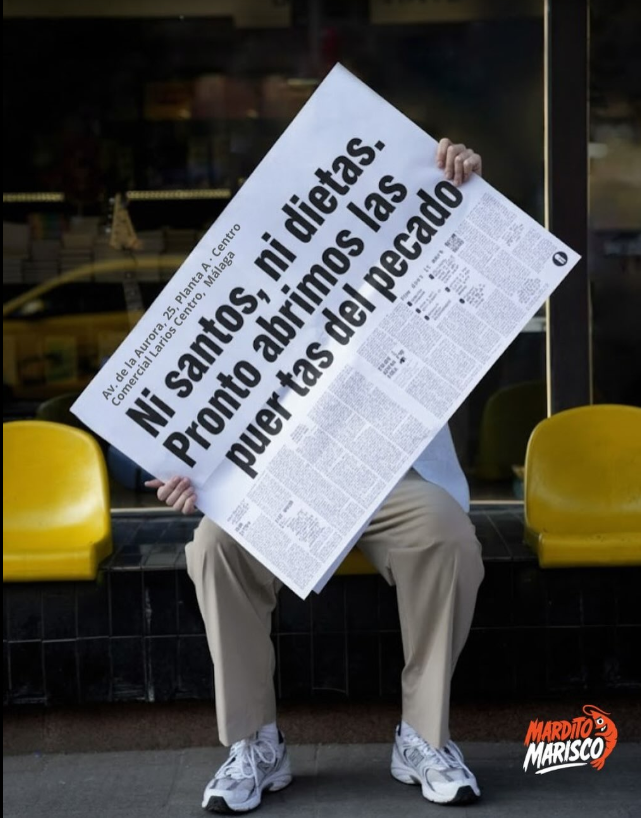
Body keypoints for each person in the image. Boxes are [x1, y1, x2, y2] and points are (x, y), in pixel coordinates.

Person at [147, 138, 485, 813]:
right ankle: (255, 744)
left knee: (447, 534)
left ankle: (424, 737)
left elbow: (477, 271)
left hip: (391, 472)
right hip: (281, 481)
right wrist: (188, 476)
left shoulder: (396, 249)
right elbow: (192, 409)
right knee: (213, 545)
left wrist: (464, 183)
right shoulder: (236, 294)